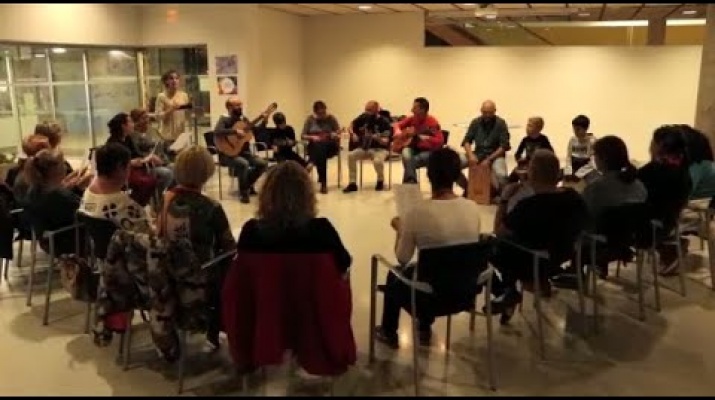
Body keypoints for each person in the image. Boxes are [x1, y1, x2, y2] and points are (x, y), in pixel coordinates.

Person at [375, 148, 482, 348]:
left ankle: (389, 331)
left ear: (428, 175)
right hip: (465, 292)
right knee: (440, 265)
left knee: (396, 274)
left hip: (428, 300)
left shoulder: (417, 213)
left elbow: (402, 258)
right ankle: (423, 327)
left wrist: (400, 229)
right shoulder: (472, 207)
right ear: (457, 175)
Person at [487, 150, 589, 320]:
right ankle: (517, 288)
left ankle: (507, 289)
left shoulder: (528, 206)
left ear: (531, 173)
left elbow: (498, 232)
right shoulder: (574, 198)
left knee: (491, 245)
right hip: (563, 257)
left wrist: (504, 200)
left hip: (532, 262)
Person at [158, 145, 236, 351]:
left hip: (166, 274)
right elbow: (229, 247)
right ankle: (220, 328)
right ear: (207, 173)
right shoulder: (211, 207)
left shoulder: (166, 198)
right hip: (199, 278)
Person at [236, 160, 351, 272]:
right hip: (310, 291)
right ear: (307, 194)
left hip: (264, 291)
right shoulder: (322, 230)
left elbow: (241, 272)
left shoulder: (251, 232)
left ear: (266, 194)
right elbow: (344, 263)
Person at [637, 126, 692, 276]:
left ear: (659, 146)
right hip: (669, 224)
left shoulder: (654, 171)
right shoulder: (684, 171)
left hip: (649, 229)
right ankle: (670, 246)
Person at [79, 142, 153, 234]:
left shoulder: (87, 194)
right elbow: (148, 238)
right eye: (128, 167)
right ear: (120, 168)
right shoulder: (126, 207)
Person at [23, 149, 84, 256]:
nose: (65, 167)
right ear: (54, 170)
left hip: (47, 241)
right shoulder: (58, 197)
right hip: (67, 242)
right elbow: (83, 211)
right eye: (63, 163)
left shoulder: (34, 189)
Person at [106, 112, 174, 203]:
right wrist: (137, 161)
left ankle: (164, 201)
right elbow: (118, 163)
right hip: (129, 173)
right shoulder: (113, 143)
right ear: (123, 126)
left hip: (139, 168)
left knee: (172, 169)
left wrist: (148, 158)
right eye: (130, 122)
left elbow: (137, 155)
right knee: (166, 173)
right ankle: (158, 202)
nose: (132, 124)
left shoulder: (127, 139)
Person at [213, 97, 269, 203]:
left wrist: (264, 122)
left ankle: (247, 185)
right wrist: (234, 131)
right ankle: (244, 193)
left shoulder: (243, 119)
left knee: (262, 164)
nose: (240, 107)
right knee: (243, 164)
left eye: (240, 104)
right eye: (237, 105)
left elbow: (255, 131)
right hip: (227, 155)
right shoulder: (224, 119)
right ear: (229, 107)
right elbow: (217, 132)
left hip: (244, 153)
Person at [581, 135, 647, 222]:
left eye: (594, 154)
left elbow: (585, 220)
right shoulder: (639, 186)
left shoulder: (594, 190)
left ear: (603, 158)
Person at [458, 100, 511, 200]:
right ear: (481, 111)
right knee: (453, 165)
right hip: (478, 153)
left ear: (494, 111)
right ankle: (468, 188)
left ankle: (502, 196)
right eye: (484, 112)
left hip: (495, 155)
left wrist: (490, 159)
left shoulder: (501, 123)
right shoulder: (475, 122)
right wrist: (470, 155)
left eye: (489, 113)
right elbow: (466, 141)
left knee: (501, 175)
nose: (486, 115)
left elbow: (504, 146)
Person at [343, 100, 393, 193]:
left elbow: (386, 142)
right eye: (366, 110)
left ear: (376, 110)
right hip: (365, 148)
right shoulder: (364, 117)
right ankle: (352, 183)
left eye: (369, 110)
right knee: (351, 156)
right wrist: (352, 133)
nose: (367, 112)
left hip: (380, 149)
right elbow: (351, 125)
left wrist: (378, 138)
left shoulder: (384, 122)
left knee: (377, 161)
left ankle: (380, 180)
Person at [397, 97, 444, 184]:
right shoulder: (413, 118)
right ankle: (411, 182)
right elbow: (397, 125)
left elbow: (440, 141)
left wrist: (426, 138)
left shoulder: (432, 122)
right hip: (414, 148)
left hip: (429, 151)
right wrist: (398, 132)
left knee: (409, 162)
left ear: (422, 110)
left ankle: (409, 184)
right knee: (405, 153)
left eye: (415, 108)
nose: (411, 110)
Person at [301, 101, 342, 194]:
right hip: (315, 145)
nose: (322, 115)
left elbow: (338, 133)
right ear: (315, 112)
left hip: (330, 146)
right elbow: (303, 135)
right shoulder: (310, 119)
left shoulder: (331, 118)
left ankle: (311, 162)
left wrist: (334, 135)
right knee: (320, 150)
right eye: (319, 113)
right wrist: (312, 137)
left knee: (321, 146)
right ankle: (323, 183)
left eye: (323, 112)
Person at [509, 116, 553, 181]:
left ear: (538, 128)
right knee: (513, 175)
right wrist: (520, 160)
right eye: (527, 125)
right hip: (527, 164)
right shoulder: (525, 140)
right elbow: (517, 154)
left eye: (530, 126)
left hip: (539, 165)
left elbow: (550, 154)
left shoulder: (543, 139)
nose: (527, 128)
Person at [154, 69, 191, 144]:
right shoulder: (161, 96)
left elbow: (188, 114)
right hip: (168, 137)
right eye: (171, 78)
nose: (174, 80)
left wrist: (192, 108)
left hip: (181, 136)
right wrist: (171, 109)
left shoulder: (184, 95)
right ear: (166, 81)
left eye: (176, 78)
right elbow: (158, 116)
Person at [563, 114, 595, 180]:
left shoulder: (592, 142)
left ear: (585, 129)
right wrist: (568, 172)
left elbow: (592, 162)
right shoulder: (572, 140)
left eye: (578, 129)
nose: (575, 132)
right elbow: (568, 157)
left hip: (586, 169)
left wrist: (579, 174)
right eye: (574, 129)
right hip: (574, 166)